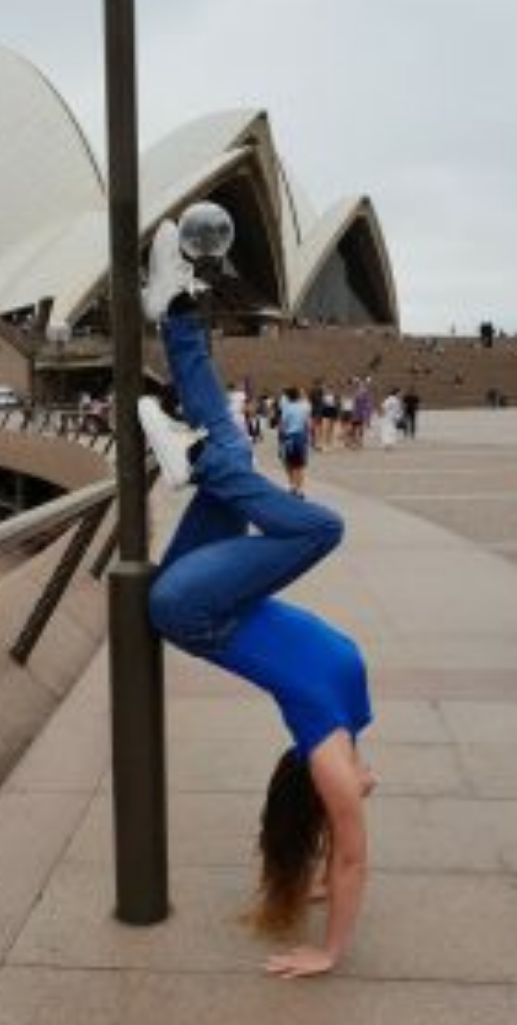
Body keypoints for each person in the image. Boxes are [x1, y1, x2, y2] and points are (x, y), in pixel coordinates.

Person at [138, 218, 374, 979]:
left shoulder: (330, 751)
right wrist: (305, 874)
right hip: (207, 593)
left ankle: (202, 461)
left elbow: (353, 860)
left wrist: (329, 951)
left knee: (320, 528)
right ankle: (175, 312)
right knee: (235, 445)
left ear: (314, 785)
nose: (362, 788)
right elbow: (343, 828)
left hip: (192, 611)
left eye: (341, 800)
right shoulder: (346, 739)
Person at [278, 385, 312, 496]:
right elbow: (308, 423)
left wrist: (281, 439)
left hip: (290, 437)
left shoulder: (287, 408)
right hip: (301, 436)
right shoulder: (305, 407)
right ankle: (300, 488)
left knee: (288, 462)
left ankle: (292, 485)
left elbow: (283, 425)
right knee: (300, 464)